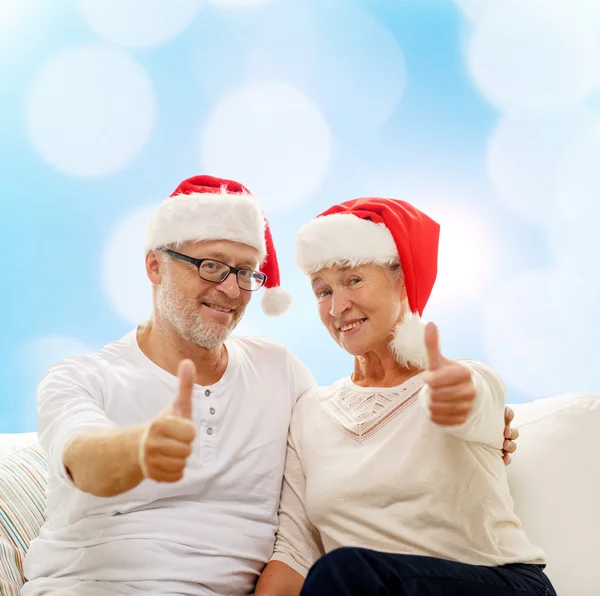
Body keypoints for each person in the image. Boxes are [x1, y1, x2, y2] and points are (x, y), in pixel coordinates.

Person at [22, 177, 518, 596]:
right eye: (211, 265)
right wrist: (139, 450)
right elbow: (80, 455)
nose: (232, 289)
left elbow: (470, 401)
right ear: (155, 265)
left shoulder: (279, 374)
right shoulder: (80, 378)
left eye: (244, 272)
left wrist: (479, 414)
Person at [256, 197, 556, 596]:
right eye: (323, 291)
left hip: (497, 584)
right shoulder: (310, 413)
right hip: (360, 586)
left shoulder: (463, 378)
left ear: (402, 280)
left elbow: (474, 402)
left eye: (354, 280)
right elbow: (294, 552)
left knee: (346, 571)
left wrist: (455, 395)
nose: (337, 306)